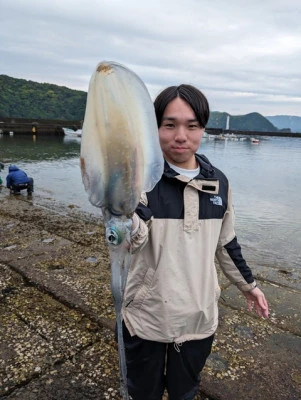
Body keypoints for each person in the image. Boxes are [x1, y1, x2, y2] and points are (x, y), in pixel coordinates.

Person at [121, 84, 269, 400]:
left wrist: (249, 286)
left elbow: (226, 242)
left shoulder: (219, 183)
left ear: (202, 128)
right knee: (142, 393)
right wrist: (126, 214)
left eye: (192, 125)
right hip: (146, 317)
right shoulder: (137, 181)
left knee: (185, 392)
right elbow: (127, 242)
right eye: (169, 124)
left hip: (199, 317)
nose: (181, 136)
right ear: (155, 128)